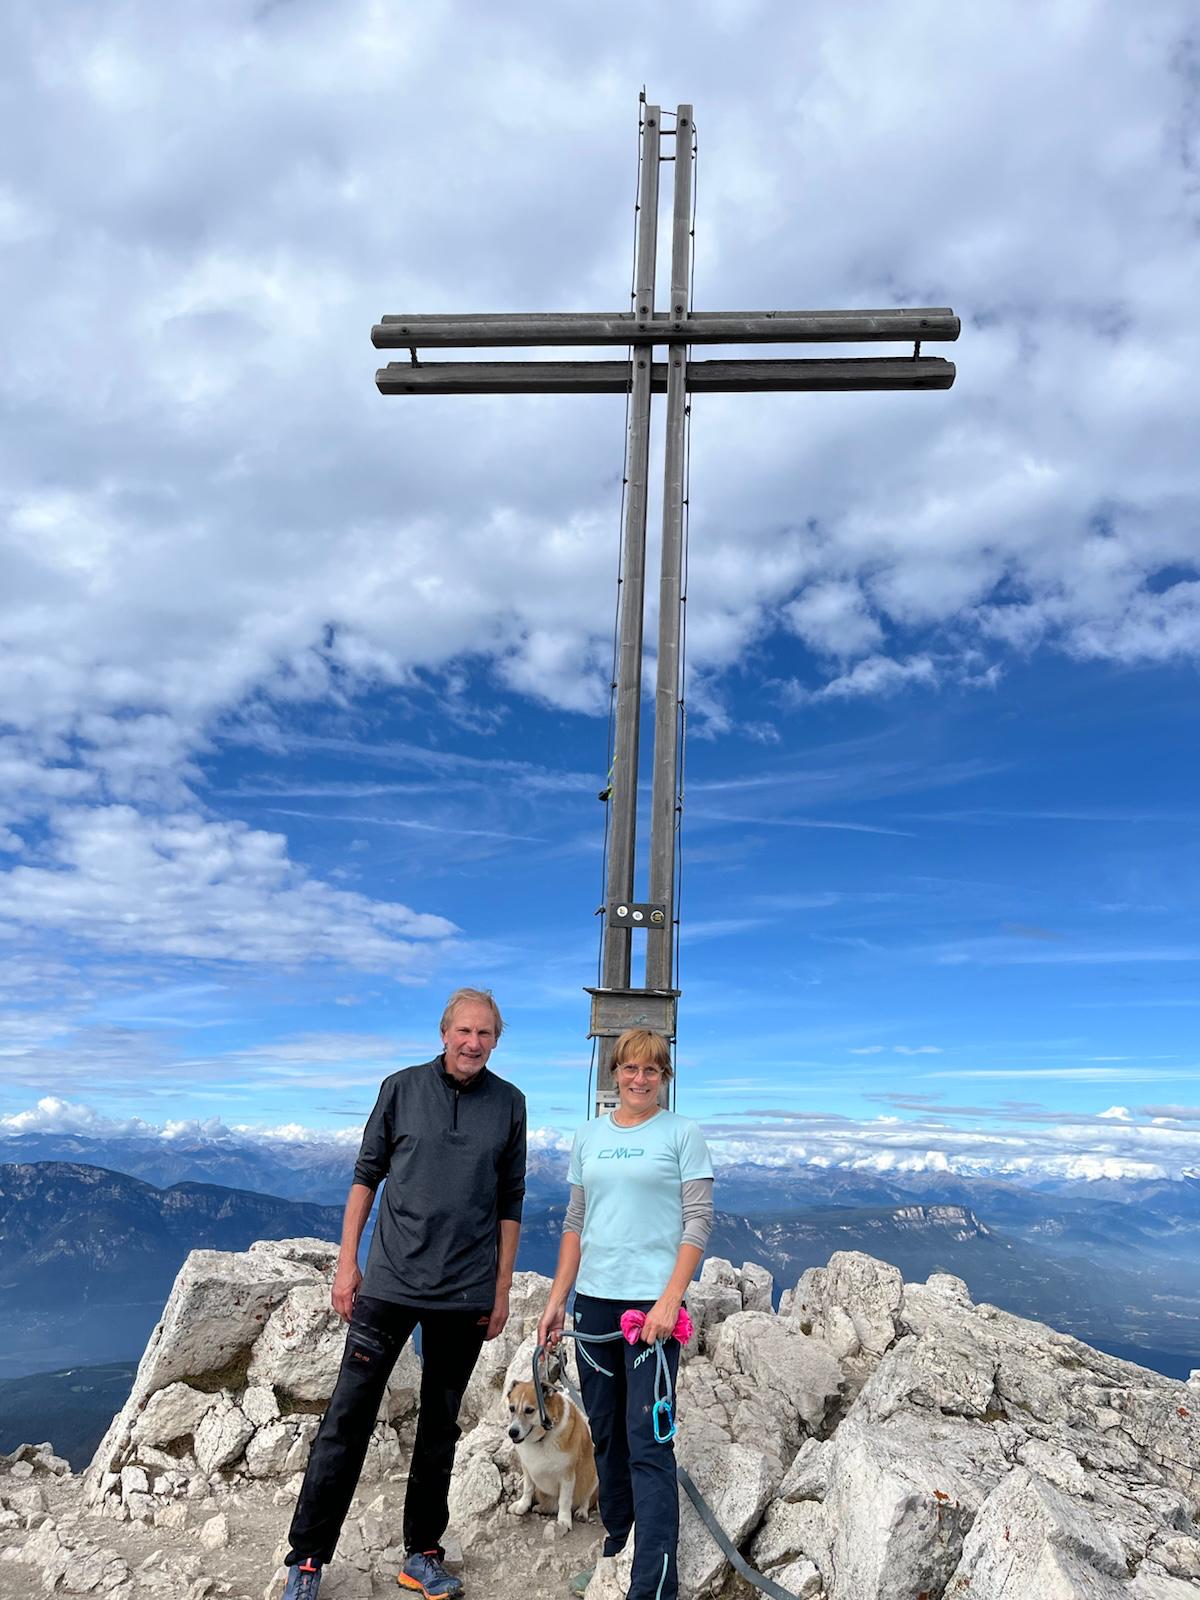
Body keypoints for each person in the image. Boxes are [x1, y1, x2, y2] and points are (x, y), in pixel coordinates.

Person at [281, 988, 527, 1600]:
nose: (474, 1044)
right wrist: (347, 1263)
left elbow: (511, 1201)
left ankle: (422, 1554)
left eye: (486, 1034)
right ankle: (307, 1559)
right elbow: (367, 1175)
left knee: (440, 1428)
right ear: (444, 1032)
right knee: (346, 1418)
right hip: (388, 1284)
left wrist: (500, 1291)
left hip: (466, 1293)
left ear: (497, 1040)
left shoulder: (510, 1104)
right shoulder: (400, 1088)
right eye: (464, 1031)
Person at [536, 1029, 713, 1600]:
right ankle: (619, 1547)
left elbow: (697, 1224)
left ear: (665, 1077)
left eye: (652, 1070)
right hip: (592, 1308)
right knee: (608, 1435)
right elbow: (574, 1223)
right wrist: (557, 1300)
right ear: (613, 1073)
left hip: (651, 1315)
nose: (640, 1079)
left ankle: (653, 1586)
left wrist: (668, 1300)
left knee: (649, 1441)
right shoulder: (588, 1137)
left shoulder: (682, 1134)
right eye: (630, 1069)